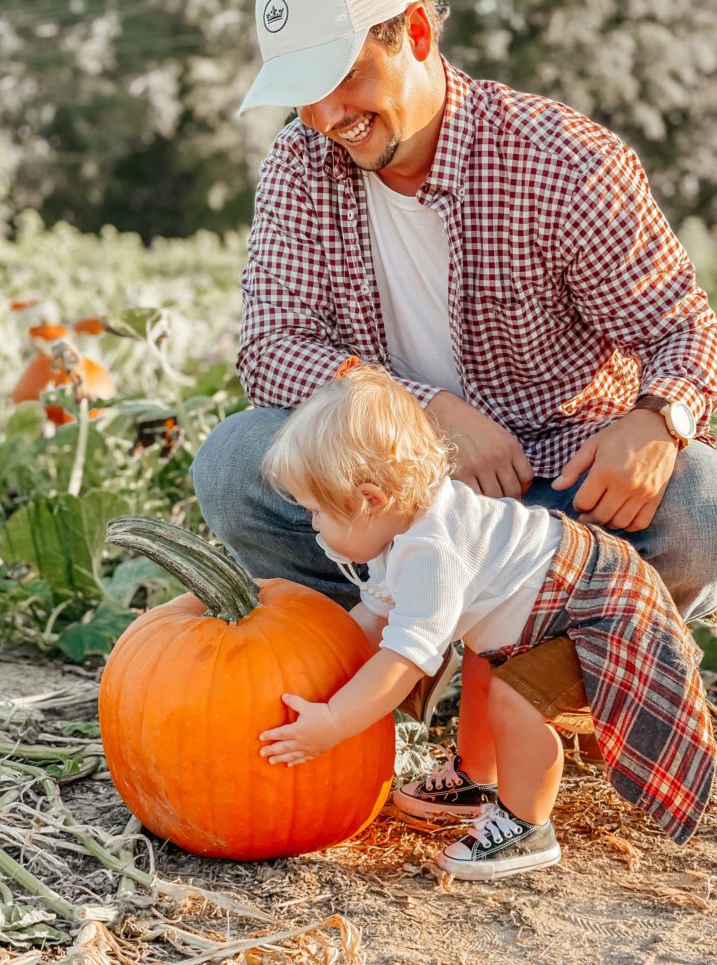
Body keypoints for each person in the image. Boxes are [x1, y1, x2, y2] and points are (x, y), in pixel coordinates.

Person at [192, 2, 717, 749]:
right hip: (386, 498)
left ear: (415, 32)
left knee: (700, 500)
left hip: (551, 502)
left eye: (342, 77)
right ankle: (382, 676)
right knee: (237, 461)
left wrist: (657, 418)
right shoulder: (298, 169)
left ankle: (542, 687)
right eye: (301, 91)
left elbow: (683, 328)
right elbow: (271, 346)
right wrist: (425, 411)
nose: (326, 114)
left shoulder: (562, 161)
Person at [256, 362, 715, 879]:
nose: (314, 527)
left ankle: (527, 827)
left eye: (317, 512)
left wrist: (335, 723)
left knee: (515, 696)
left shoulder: (433, 548)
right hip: (549, 604)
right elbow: (376, 616)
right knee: (483, 665)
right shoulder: (401, 524)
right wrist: (310, 656)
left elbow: (405, 657)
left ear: (369, 500)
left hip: (599, 607)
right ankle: (479, 780)